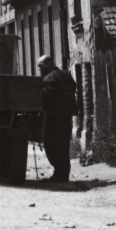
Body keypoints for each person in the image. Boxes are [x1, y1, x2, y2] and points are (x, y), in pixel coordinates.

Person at [38, 54, 79, 183]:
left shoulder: (49, 78)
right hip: (66, 116)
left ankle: (59, 173)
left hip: (54, 117)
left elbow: (46, 97)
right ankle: (63, 174)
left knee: (51, 145)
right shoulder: (66, 75)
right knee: (63, 145)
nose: (39, 69)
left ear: (48, 64)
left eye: (41, 66)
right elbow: (74, 87)